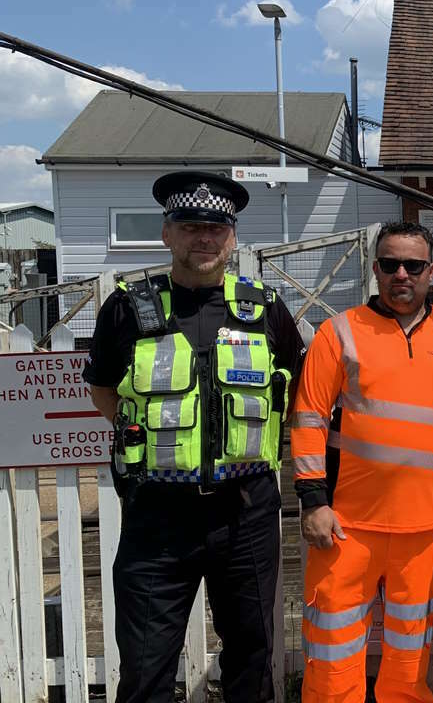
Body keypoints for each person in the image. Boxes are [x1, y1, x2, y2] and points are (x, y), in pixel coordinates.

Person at [84, 171, 305, 703]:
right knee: (145, 665)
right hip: (157, 516)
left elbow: (297, 395)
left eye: (216, 227)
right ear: (167, 233)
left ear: (231, 238)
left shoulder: (265, 308)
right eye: (189, 226)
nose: (203, 238)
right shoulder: (127, 308)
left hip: (246, 511)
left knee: (252, 659)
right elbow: (103, 391)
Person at [291, 220, 433, 703]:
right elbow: (307, 419)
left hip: (427, 528)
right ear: (375, 270)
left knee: (410, 664)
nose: (400, 274)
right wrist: (312, 501)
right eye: (390, 264)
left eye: (412, 265)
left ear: (431, 270)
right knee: (331, 655)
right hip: (348, 526)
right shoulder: (338, 332)